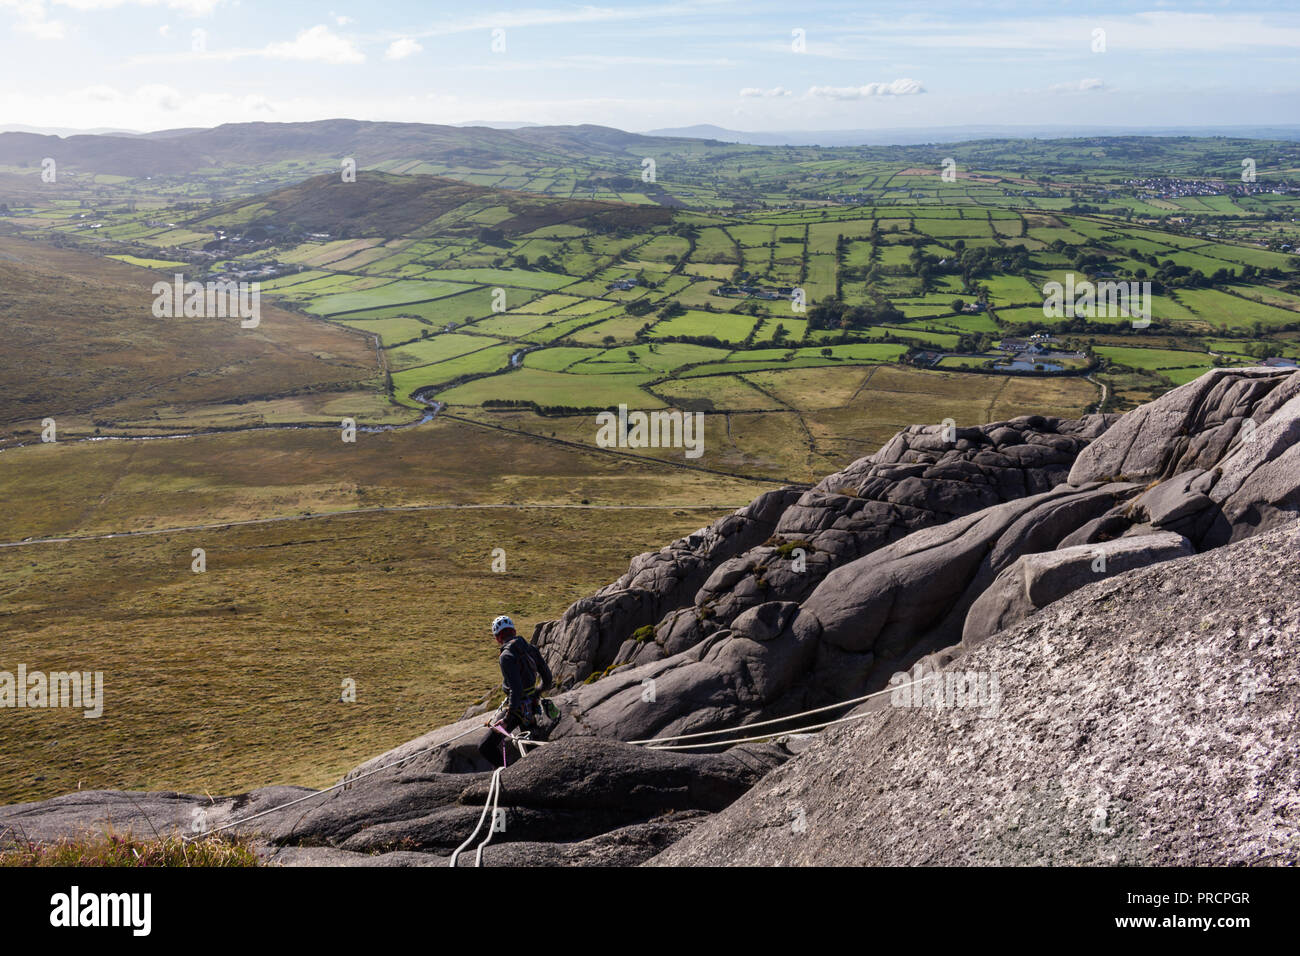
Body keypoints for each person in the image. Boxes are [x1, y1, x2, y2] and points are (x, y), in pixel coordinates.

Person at [478, 615, 554, 768]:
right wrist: (536, 693)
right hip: (531, 707)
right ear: (514, 631)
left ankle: (509, 775)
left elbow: (516, 689)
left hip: (518, 710)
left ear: (498, 638)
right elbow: (547, 679)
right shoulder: (531, 649)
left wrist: (507, 720)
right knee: (532, 748)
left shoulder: (506, 656)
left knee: (485, 747)